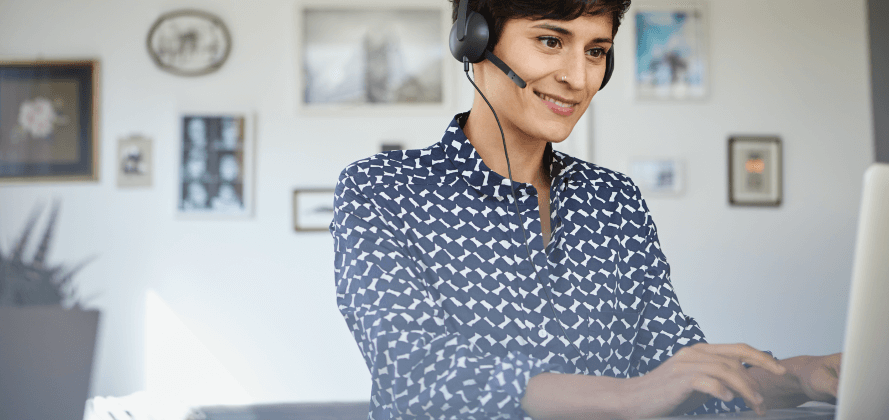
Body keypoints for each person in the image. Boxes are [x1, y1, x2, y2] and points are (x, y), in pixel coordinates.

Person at [330, 1, 842, 418]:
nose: (579, 77)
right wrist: (626, 397)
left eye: (596, 51)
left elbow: (677, 369)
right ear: (475, 39)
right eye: (551, 41)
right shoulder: (381, 190)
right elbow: (416, 374)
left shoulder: (615, 201)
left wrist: (800, 377)